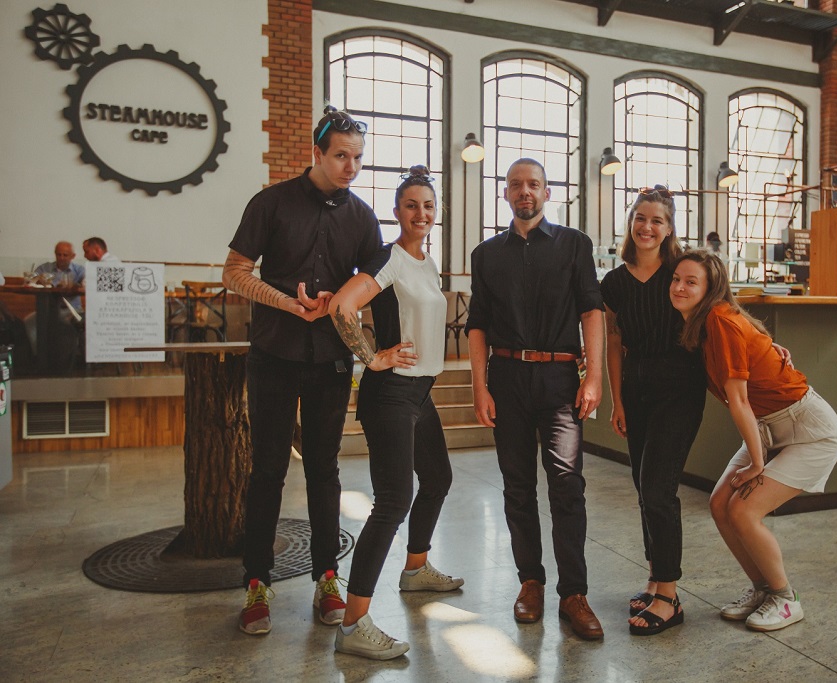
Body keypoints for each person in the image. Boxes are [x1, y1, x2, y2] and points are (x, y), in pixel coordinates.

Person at [222, 106, 382, 636]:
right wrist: (286, 303)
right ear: (316, 152)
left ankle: (327, 577)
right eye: (341, 156)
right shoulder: (270, 203)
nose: (351, 167)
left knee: (324, 470)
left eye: (358, 158)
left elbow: (372, 283)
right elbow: (234, 273)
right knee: (267, 469)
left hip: (330, 360)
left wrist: (347, 308)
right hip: (272, 354)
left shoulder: (362, 217)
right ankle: (256, 582)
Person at [327, 165, 463, 660]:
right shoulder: (390, 259)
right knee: (392, 501)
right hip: (390, 394)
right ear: (397, 211)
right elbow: (343, 306)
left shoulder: (427, 263)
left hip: (419, 394)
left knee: (438, 478)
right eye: (411, 205)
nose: (420, 213)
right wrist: (371, 357)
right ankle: (353, 624)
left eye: (428, 205)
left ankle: (416, 568)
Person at [466, 158, 605, 641]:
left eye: (533, 184)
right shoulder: (485, 255)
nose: (524, 191)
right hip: (507, 378)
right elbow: (478, 324)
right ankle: (531, 582)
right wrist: (479, 386)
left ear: (547, 192)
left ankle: (574, 593)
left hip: (560, 379)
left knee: (567, 485)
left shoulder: (574, 244)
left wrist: (594, 378)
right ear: (505, 193)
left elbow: (592, 311)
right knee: (517, 486)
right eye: (516, 184)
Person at [669, 248, 837, 632]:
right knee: (720, 505)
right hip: (768, 426)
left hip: (809, 431)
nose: (679, 287)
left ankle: (786, 598)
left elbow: (739, 401)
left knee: (744, 511)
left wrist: (757, 464)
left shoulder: (719, 321)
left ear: (711, 288)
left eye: (691, 282)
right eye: (676, 279)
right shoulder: (702, 323)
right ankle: (763, 589)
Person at [600, 186, 706, 636]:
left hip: (678, 391)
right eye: (640, 218)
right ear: (631, 223)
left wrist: (765, 342)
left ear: (669, 227)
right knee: (644, 489)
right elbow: (613, 341)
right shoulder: (614, 282)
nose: (647, 227)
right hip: (636, 391)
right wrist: (617, 400)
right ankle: (655, 580)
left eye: (657, 220)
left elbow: (721, 310)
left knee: (659, 490)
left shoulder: (680, 272)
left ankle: (669, 597)